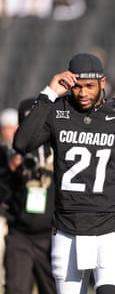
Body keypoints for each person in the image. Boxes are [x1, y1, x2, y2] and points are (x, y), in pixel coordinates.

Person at [12, 53, 115, 294]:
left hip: (111, 230)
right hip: (68, 230)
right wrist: (48, 94)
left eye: (90, 86)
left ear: (102, 82)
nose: (83, 93)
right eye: (77, 86)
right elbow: (21, 143)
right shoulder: (58, 111)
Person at [1, 99, 57, 294]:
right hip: (20, 234)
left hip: (51, 235)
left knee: (53, 289)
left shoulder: (58, 150)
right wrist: (10, 170)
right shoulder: (10, 153)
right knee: (16, 289)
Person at [0, 108, 19, 291]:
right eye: (5, 128)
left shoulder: (31, 151)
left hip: (21, 215)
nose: (8, 133)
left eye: (11, 128)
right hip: (3, 213)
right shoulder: (2, 153)